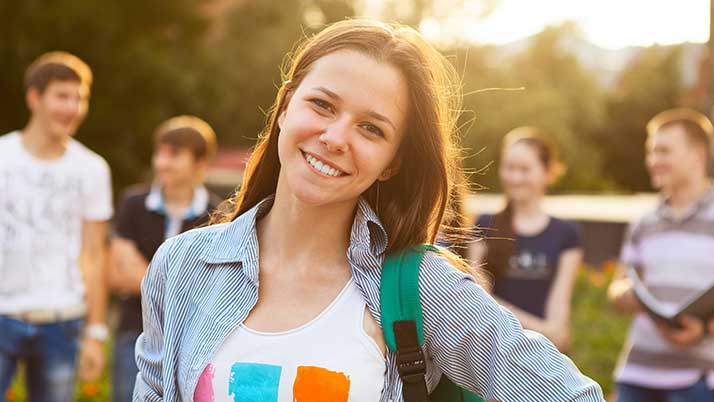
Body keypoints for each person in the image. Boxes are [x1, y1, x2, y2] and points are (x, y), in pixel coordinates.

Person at [133, 19, 604, 402]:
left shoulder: (420, 286)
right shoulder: (181, 267)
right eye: (322, 104)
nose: (335, 138)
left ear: (391, 163)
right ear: (285, 106)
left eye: (371, 129)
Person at [0, 51, 112, 402]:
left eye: (80, 98)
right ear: (34, 97)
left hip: (62, 321)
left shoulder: (92, 169)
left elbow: (95, 255)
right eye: (62, 96)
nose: (72, 108)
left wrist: (96, 333)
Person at [607, 108, 714, 402]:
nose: (652, 161)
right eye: (651, 152)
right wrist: (627, 295)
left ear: (698, 155)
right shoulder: (643, 221)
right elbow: (618, 286)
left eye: (663, 151)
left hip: (699, 380)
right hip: (636, 375)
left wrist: (705, 329)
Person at [108, 116, 219, 402]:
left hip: (191, 340)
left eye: (174, 155)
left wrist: (144, 281)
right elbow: (118, 273)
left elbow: (213, 286)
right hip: (134, 332)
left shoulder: (218, 215)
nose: (161, 163)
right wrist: (183, 290)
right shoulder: (133, 203)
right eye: (159, 153)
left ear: (200, 164)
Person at [467, 127, 583, 353]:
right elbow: (477, 301)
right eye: (509, 168)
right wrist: (541, 330)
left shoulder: (566, 233)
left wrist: (500, 309)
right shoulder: (485, 225)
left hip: (541, 359)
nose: (515, 178)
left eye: (524, 169)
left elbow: (560, 330)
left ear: (548, 172)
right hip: (492, 354)